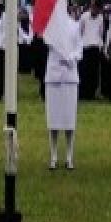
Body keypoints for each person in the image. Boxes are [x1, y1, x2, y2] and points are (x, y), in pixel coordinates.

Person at [43, 11, 82, 170]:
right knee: (53, 119)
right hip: (53, 76)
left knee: (69, 120)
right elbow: (47, 40)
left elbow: (80, 49)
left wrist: (71, 57)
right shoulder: (50, 27)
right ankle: (53, 155)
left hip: (70, 75)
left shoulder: (74, 25)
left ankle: (69, 156)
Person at [77, 0, 103, 100]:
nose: (94, 10)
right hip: (86, 47)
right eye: (93, 7)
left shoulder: (100, 18)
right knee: (84, 72)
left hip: (95, 48)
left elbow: (101, 33)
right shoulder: (84, 17)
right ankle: (83, 93)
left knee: (94, 73)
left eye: (96, 9)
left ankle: (92, 93)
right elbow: (80, 31)